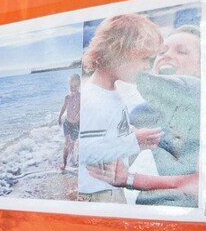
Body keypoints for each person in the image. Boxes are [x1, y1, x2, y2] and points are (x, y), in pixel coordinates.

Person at [78, 14, 164, 203]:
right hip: (97, 194)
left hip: (109, 188)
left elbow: (109, 131)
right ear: (118, 53)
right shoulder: (92, 99)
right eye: (144, 59)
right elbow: (86, 151)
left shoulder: (113, 91)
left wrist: (133, 134)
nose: (146, 66)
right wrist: (134, 141)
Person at [57, 73, 81, 171]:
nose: (73, 88)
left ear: (79, 85)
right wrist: (59, 117)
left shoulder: (81, 97)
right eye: (71, 86)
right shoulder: (67, 97)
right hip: (67, 123)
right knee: (67, 142)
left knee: (72, 143)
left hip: (76, 125)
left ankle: (72, 157)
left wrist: (79, 114)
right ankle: (64, 162)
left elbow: (83, 108)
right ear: (69, 85)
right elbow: (64, 107)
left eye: (76, 86)